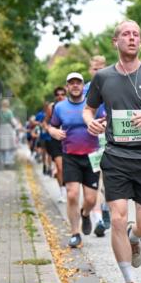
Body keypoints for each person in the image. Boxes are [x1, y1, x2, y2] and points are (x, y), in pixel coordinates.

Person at [84, 20, 141, 283]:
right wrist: (90, 123)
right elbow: (88, 108)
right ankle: (129, 281)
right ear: (115, 42)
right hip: (117, 156)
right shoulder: (103, 77)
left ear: (140, 42)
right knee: (117, 219)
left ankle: (135, 236)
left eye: (136, 35)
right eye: (126, 34)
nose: (131, 38)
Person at [49, 72, 101, 248]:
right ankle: (75, 233)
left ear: (82, 85)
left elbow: (107, 119)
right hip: (70, 155)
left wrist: (104, 125)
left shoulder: (93, 104)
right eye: (71, 83)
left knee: (91, 199)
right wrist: (54, 132)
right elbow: (52, 126)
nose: (75, 85)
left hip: (92, 156)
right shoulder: (60, 107)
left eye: (78, 82)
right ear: (67, 87)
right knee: (72, 194)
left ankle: (85, 214)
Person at [85, 55, 111, 237]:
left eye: (101, 68)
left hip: (110, 140)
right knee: (95, 182)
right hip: (90, 142)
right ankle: (98, 220)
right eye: (95, 69)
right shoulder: (86, 88)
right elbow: (82, 113)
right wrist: (92, 123)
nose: (98, 72)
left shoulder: (112, 84)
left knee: (108, 180)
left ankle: (106, 207)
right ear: (90, 70)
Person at [44, 86, 68, 200]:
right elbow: (45, 122)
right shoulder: (51, 107)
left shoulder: (71, 105)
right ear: (55, 96)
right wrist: (50, 129)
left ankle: (69, 187)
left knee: (68, 167)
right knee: (59, 167)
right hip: (56, 141)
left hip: (70, 140)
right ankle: (62, 191)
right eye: (58, 94)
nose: (60, 96)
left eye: (63, 94)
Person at [0, 99, 20, 168]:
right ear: (8, 104)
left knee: (2, 146)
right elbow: (13, 121)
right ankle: (7, 161)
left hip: (1, 129)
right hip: (8, 129)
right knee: (9, 146)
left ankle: (2, 161)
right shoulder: (9, 112)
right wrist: (17, 126)